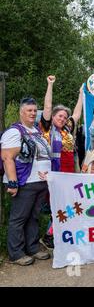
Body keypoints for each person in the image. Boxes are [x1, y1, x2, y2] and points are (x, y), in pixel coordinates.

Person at [1, 97, 52, 265]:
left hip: (40, 182)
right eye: (29, 110)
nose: (32, 113)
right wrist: (13, 183)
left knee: (34, 217)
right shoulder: (15, 132)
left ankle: (33, 247)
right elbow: (8, 158)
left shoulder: (36, 132)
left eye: (34, 110)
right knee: (19, 218)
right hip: (24, 182)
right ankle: (16, 253)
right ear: (21, 112)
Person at [39, 76, 83, 249]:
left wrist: (81, 94)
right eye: (60, 116)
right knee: (55, 204)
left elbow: (77, 114)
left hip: (69, 173)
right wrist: (50, 85)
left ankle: (52, 234)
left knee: (68, 204)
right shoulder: (47, 128)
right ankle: (49, 235)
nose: (63, 119)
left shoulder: (66, 129)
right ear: (53, 116)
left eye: (65, 117)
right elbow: (47, 107)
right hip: (54, 172)